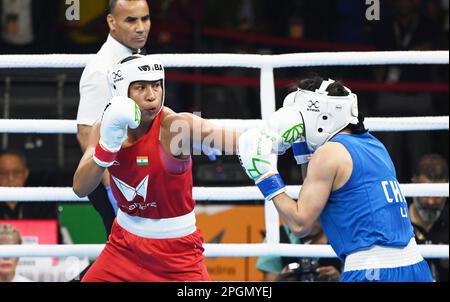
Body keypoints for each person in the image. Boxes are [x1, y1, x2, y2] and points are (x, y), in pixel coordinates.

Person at [238, 77, 433, 282]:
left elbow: (300, 224)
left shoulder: (328, 154)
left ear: (321, 116)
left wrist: (264, 175)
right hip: (415, 267)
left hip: (371, 271)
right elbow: (319, 200)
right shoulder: (376, 146)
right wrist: (303, 151)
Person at [73, 55, 239, 281]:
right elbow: (80, 187)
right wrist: (107, 148)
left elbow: (239, 141)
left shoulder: (175, 126)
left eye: (156, 85)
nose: (151, 96)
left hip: (176, 253)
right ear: (121, 92)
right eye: (140, 87)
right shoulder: (104, 129)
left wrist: (273, 139)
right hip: (123, 246)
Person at [76, 0, 151, 236]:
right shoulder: (102, 70)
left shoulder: (137, 59)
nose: (141, 27)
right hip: (115, 182)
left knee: (129, 259)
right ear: (112, 22)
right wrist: (116, 191)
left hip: (135, 179)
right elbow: (86, 133)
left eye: (145, 18)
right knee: (126, 255)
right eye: (131, 20)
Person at [257, 221, 341, 282]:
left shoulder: (341, 237)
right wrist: (280, 280)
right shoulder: (276, 237)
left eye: (317, 210)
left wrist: (341, 279)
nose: (312, 217)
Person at [410, 153, 449, 282]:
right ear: (413, 183)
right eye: (425, 193)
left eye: (437, 194)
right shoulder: (397, 223)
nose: (431, 202)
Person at [0, 150, 59, 221]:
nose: (10, 179)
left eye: (16, 173)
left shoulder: (42, 206)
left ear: (26, 174)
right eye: (3, 173)